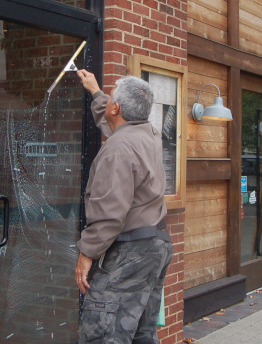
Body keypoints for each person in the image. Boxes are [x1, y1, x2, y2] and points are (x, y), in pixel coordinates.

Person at [74, 69, 173, 344]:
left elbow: (110, 215)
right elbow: (115, 126)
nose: (108, 103)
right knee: (141, 334)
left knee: (104, 334)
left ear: (116, 107)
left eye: (110, 99)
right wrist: (96, 93)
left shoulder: (119, 149)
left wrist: (87, 252)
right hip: (156, 247)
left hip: (132, 251)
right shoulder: (149, 135)